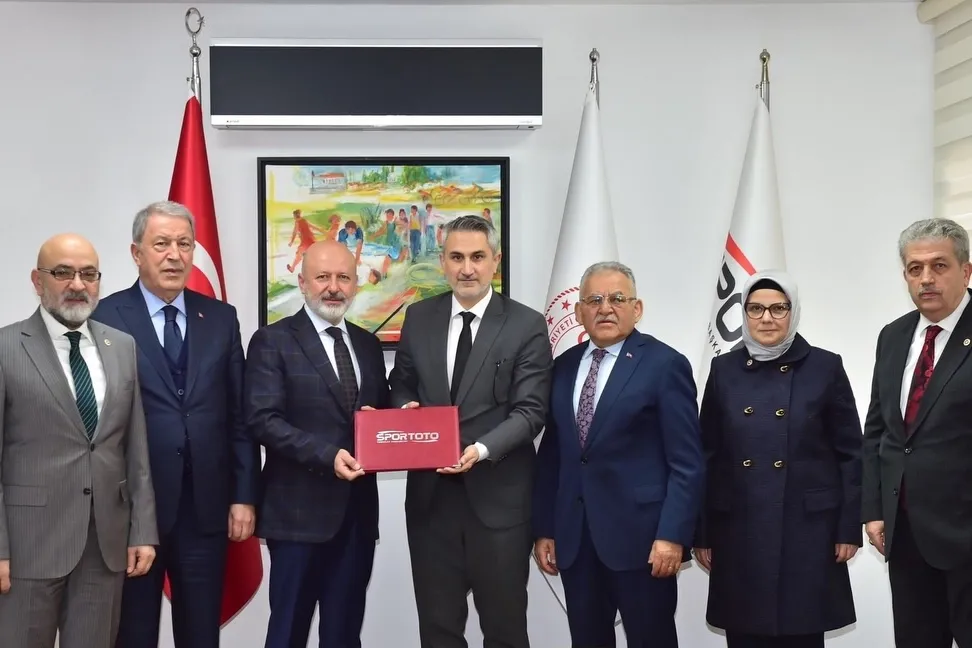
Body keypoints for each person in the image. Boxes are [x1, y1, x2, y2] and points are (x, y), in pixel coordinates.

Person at [91, 201, 260, 648]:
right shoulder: (103, 318)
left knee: (201, 633)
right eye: (161, 244)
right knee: (133, 633)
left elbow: (239, 415)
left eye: (184, 244)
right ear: (136, 253)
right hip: (131, 510)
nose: (174, 255)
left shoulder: (221, 318)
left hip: (205, 508)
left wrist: (244, 495)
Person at [388, 214, 552, 648]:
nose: (467, 268)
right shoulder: (419, 317)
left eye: (477, 257)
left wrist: (480, 449)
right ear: (442, 261)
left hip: (499, 503)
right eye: (456, 257)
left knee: (504, 630)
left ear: (495, 261)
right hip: (430, 505)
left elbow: (531, 411)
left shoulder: (526, 324)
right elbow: (401, 382)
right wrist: (404, 409)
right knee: (438, 631)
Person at [532, 261, 704, 648]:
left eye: (617, 299)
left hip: (643, 543)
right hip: (576, 541)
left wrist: (672, 535)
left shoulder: (665, 365)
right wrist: (545, 528)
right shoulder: (562, 367)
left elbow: (687, 464)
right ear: (579, 312)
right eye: (594, 300)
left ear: (636, 308)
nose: (605, 308)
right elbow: (553, 456)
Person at [0, 233, 158, 648]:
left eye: (89, 274)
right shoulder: (6, 347)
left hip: (104, 545)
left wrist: (142, 530)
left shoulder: (121, 346)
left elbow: (135, 449)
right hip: (28, 545)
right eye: (63, 273)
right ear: (37, 280)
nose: (77, 284)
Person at [693, 270, 862, 648]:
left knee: (802, 632)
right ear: (744, 314)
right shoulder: (723, 370)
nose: (766, 318)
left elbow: (851, 453)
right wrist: (702, 532)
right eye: (755, 309)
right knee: (745, 633)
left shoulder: (825, 367)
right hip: (738, 529)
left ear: (793, 311)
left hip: (808, 532)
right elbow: (707, 455)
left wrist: (847, 528)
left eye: (778, 308)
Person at [245, 239, 389, 648]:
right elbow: (262, 419)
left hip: (357, 518)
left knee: (344, 634)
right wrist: (328, 456)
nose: (333, 287)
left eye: (343, 277)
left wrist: (401, 418)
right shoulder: (272, 340)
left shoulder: (368, 345)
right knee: (288, 632)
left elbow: (376, 415)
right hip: (296, 517)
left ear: (356, 284)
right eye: (323, 277)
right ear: (303, 282)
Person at [863, 218, 972, 648]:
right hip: (907, 535)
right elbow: (878, 431)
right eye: (915, 268)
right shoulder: (893, 336)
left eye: (939, 266)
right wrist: (874, 508)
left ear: (966, 271)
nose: (926, 278)